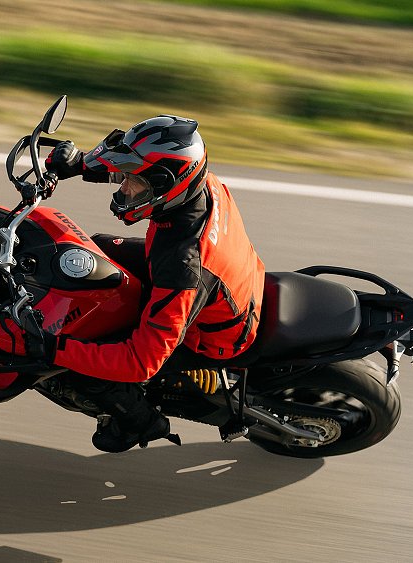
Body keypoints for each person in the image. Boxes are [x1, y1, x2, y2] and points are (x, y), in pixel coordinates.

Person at [31, 115, 266, 453]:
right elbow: (141, 169)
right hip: (224, 283)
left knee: (82, 362)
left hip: (216, 334)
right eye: (126, 177)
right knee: (89, 250)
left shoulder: (183, 264)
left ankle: (139, 422)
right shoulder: (198, 182)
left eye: (132, 182)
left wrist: (50, 348)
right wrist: (80, 164)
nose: (123, 188)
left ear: (167, 185)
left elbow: (140, 361)